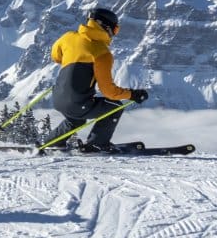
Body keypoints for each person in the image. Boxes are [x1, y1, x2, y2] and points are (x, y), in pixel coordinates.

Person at [39, 8, 148, 153]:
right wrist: (133, 95)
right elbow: (109, 91)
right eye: (115, 30)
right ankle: (96, 144)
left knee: (76, 120)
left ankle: (52, 143)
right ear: (106, 27)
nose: (114, 34)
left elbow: (56, 56)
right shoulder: (102, 52)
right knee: (114, 107)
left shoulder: (68, 37)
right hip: (77, 103)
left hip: (57, 97)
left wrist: (74, 59)